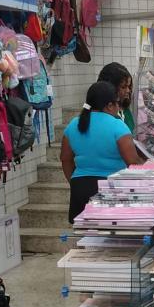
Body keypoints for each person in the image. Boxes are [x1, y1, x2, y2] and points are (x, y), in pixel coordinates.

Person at [60, 82, 144, 224]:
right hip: (111, 187)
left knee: (84, 232)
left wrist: (74, 182)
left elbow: (65, 159)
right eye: (117, 103)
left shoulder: (74, 124)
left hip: (80, 187)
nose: (119, 108)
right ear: (110, 105)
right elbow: (132, 162)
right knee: (110, 233)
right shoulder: (118, 126)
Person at [97, 62, 136, 132]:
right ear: (110, 87)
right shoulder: (103, 115)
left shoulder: (124, 109)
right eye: (123, 87)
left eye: (129, 86)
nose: (128, 90)